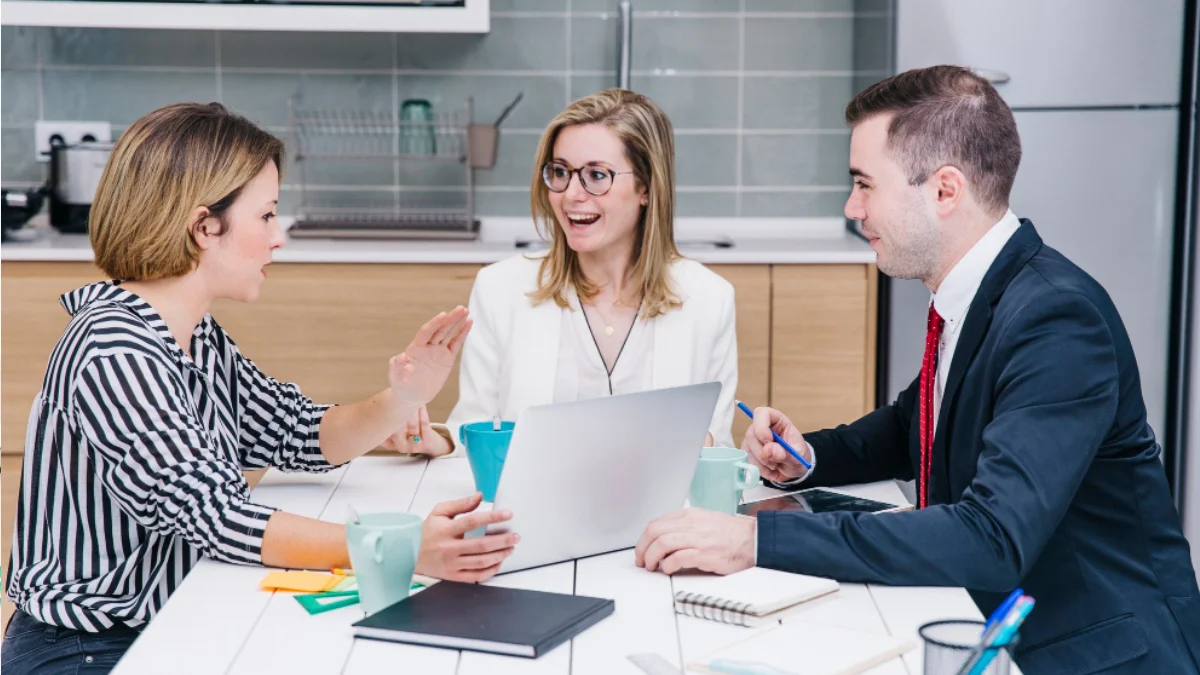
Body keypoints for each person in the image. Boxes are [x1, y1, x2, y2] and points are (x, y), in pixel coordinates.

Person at [634, 66, 1200, 674]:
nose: (853, 208)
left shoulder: (1056, 320)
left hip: (1099, 654)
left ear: (944, 190)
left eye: (864, 184)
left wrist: (754, 542)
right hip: (995, 628)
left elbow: (992, 536)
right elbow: (914, 426)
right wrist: (809, 459)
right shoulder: (982, 294)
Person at [2, 102, 518, 674]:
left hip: (169, 619)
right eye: (267, 216)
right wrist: (399, 549)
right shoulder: (115, 351)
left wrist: (403, 395)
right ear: (204, 227)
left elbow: (299, 432)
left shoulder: (193, 336)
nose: (279, 238)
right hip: (85, 650)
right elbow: (216, 518)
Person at [388, 89, 738, 456]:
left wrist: (700, 445)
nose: (570, 194)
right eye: (560, 172)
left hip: (663, 514)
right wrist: (435, 440)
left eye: (596, 175)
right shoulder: (499, 289)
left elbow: (718, 451)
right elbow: (476, 430)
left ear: (646, 188)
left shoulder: (709, 298)